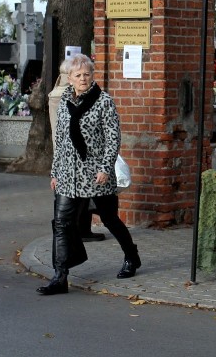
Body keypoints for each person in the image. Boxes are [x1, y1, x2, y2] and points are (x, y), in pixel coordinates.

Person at [37, 54, 141, 296]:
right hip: (67, 175)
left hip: (95, 174)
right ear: (70, 78)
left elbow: (113, 138)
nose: (83, 79)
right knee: (61, 224)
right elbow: (60, 139)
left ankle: (132, 257)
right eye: (78, 75)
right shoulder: (64, 100)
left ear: (92, 76)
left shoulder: (103, 101)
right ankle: (60, 276)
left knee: (109, 220)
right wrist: (55, 172)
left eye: (87, 74)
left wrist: (106, 167)